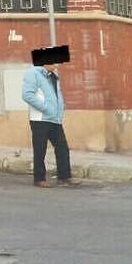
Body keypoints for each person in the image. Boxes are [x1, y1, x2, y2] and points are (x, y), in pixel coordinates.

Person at [21, 54, 78, 187]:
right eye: (54, 62)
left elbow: (57, 94)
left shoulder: (54, 76)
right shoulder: (33, 73)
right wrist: (46, 108)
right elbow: (27, 95)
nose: (56, 65)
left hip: (55, 119)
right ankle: (39, 179)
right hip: (40, 119)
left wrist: (61, 107)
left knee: (62, 147)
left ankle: (64, 176)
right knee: (40, 149)